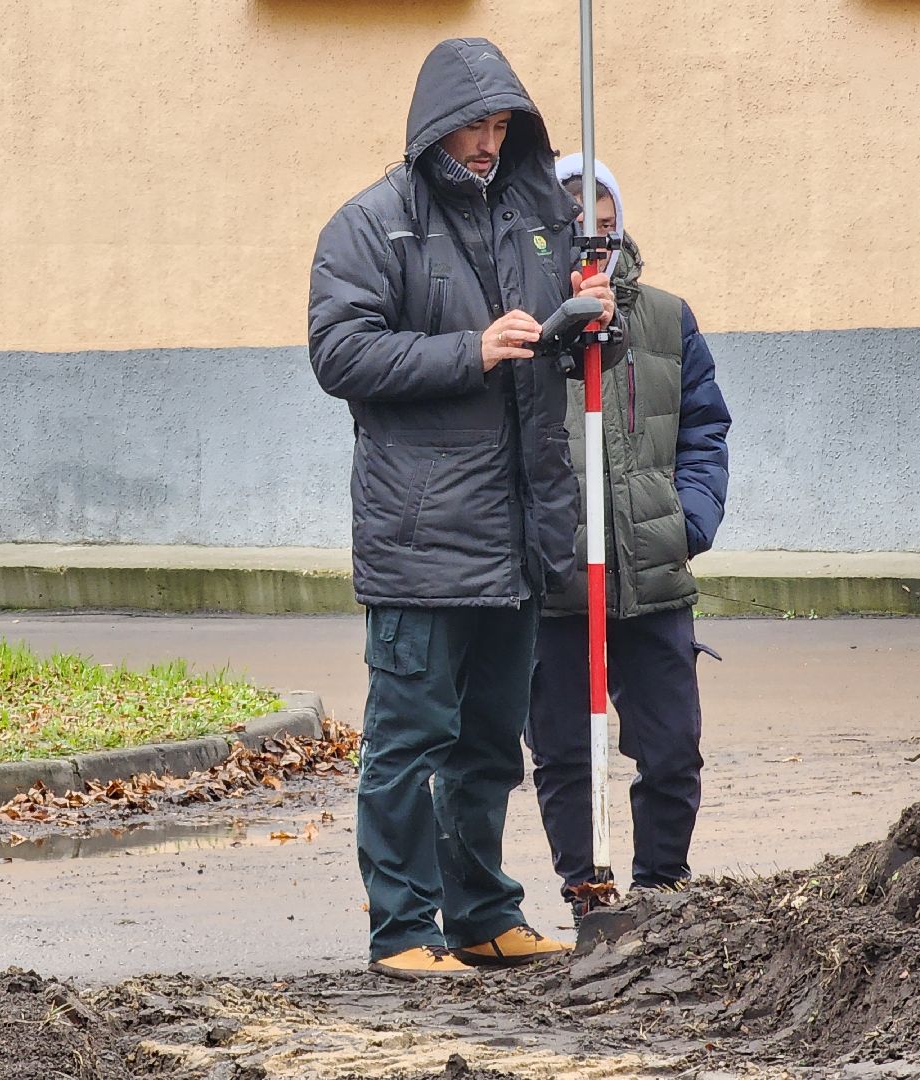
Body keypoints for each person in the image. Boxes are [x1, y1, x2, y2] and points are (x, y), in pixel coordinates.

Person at [308, 38, 624, 979]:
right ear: (432, 127)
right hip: (423, 534)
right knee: (410, 742)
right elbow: (341, 354)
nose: (487, 145)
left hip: (519, 531)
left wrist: (592, 310)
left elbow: (572, 317)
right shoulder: (371, 226)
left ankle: (482, 911)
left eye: (499, 128)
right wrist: (469, 350)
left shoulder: (536, 216)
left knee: (490, 742)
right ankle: (404, 929)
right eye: (472, 128)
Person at [527, 155, 731, 922]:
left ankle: (662, 893)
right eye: (579, 234)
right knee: (565, 756)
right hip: (556, 583)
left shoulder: (666, 319)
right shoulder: (526, 321)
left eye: (607, 232)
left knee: (671, 747)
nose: (596, 249)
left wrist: (690, 520)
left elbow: (706, 427)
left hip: (652, 573)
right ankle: (588, 895)